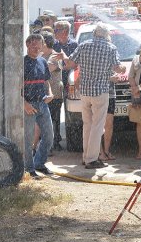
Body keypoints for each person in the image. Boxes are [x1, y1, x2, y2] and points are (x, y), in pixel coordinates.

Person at [67, 23, 124, 169]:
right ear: (106, 34)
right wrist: (122, 68)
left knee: (87, 125)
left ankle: (86, 156)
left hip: (84, 92)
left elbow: (71, 63)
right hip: (101, 91)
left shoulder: (84, 45)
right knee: (97, 126)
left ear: (94, 33)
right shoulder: (111, 48)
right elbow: (118, 68)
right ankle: (92, 159)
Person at [23, 34, 54, 178]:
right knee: (28, 139)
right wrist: (25, 104)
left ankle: (39, 163)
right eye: (33, 45)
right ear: (27, 45)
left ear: (42, 46)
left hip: (42, 104)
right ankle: (29, 169)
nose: (36, 48)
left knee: (49, 136)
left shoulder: (43, 61)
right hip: (29, 106)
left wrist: (50, 94)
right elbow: (15, 87)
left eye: (39, 45)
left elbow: (46, 82)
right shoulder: (22, 63)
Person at [52, 20, 78, 150]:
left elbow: (75, 64)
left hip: (70, 82)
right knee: (55, 112)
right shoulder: (54, 45)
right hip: (56, 82)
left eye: (56, 30)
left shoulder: (74, 45)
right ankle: (55, 140)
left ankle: (72, 143)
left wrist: (65, 59)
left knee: (70, 113)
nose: (54, 33)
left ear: (65, 32)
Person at [39, 32, 64, 157]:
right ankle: (45, 145)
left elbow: (44, 70)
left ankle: (52, 144)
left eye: (40, 42)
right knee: (43, 121)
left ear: (45, 43)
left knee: (53, 121)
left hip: (54, 94)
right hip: (42, 94)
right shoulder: (40, 56)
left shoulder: (55, 56)